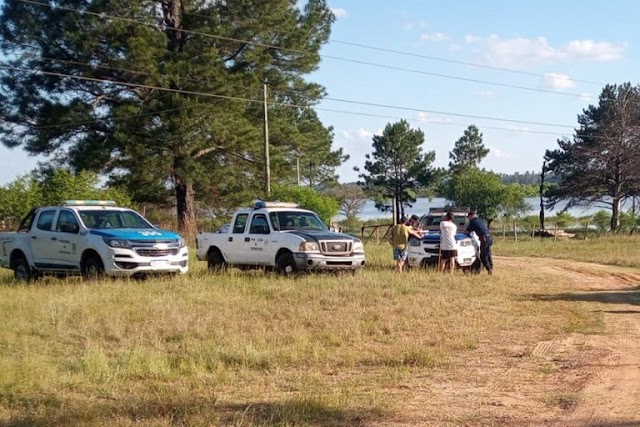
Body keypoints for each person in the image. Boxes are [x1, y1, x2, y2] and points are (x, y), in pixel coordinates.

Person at [466, 210, 493, 275]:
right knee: (488, 253)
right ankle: (491, 267)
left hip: (484, 239)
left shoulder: (473, 222)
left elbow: (467, 231)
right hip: (489, 238)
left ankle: (489, 269)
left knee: (483, 256)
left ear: (471, 216)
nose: (468, 219)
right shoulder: (480, 220)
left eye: (469, 217)